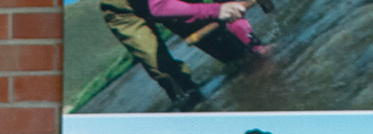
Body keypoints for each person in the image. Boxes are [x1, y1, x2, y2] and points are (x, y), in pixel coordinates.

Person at [98, 0, 261, 112]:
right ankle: (197, 115)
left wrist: (251, 43)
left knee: (238, 53)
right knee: (168, 75)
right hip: (125, 11)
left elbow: (230, 5)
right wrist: (216, 11)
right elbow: (159, 6)